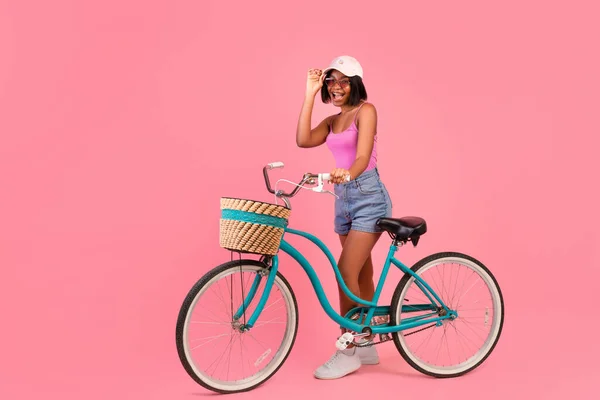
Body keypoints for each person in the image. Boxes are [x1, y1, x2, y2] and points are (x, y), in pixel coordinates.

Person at [295, 55, 393, 379]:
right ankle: (366, 344)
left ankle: (347, 348)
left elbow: (363, 156)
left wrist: (347, 174)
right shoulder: (333, 120)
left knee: (344, 271)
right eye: (331, 81)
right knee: (361, 276)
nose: (336, 87)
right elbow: (303, 139)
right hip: (342, 199)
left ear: (355, 84)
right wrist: (309, 94)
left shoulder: (366, 111)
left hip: (367, 196)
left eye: (343, 81)